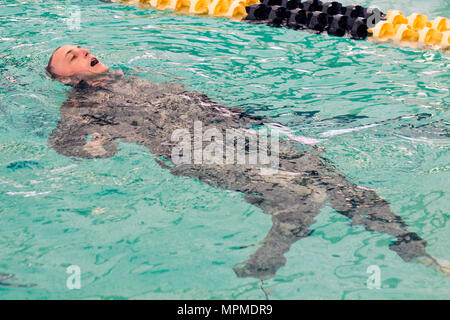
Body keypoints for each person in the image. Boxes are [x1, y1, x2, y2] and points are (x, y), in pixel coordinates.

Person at [45, 45, 449, 279]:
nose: (83, 51)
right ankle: (267, 259)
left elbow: (198, 102)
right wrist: (97, 149)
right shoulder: (81, 103)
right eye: (72, 56)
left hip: (236, 137)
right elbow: (62, 143)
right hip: (192, 151)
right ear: (66, 79)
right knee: (301, 197)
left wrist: (242, 114)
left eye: (82, 48)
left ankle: (415, 250)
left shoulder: (137, 78)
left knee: (342, 185)